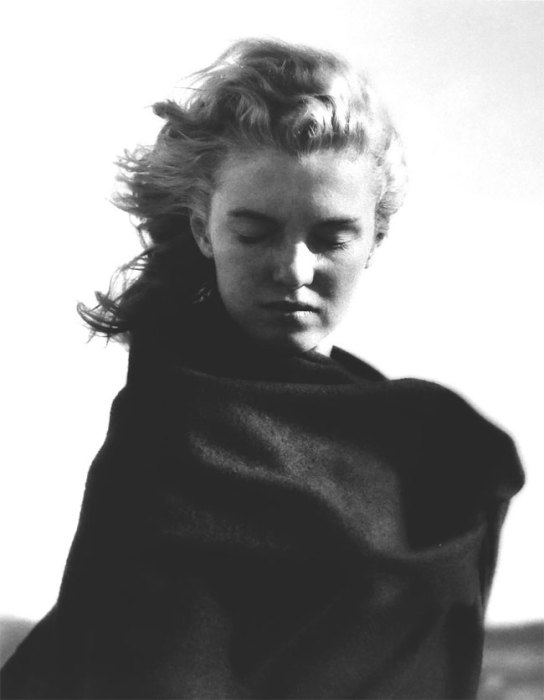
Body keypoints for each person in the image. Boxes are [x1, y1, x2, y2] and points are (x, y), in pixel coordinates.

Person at [0, 38, 524, 699]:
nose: (295, 270)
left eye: (331, 237)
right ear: (203, 229)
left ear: (374, 240)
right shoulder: (167, 443)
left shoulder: (442, 448)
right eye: (254, 232)